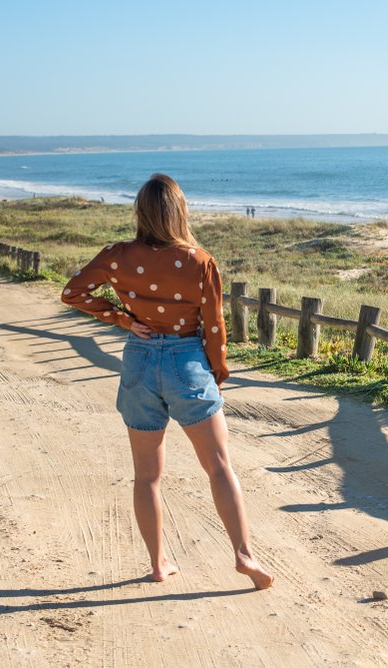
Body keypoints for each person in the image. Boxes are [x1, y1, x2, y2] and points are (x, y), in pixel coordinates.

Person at [61, 173, 273, 589]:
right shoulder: (199, 260)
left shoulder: (118, 255)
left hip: (140, 361)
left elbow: (74, 293)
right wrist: (217, 374)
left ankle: (159, 565)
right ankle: (244, 555)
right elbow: (214, 328)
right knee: (218, 467)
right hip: (187, 359)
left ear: (140, 211)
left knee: (146, 476)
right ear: (179, 211)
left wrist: (122, 318)